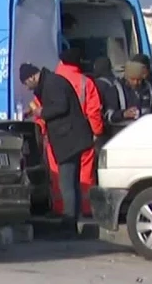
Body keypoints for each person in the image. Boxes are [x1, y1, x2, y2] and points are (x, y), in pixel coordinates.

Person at [21, 63, 94, 237]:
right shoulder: (49, 83)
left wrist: (41, 112)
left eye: (26, 83)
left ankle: (69, 223)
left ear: (32, 77)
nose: (26, 87)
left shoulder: (53, 83)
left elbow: (60, 106)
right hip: (71, 138)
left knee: (66, 182)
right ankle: (72, 220)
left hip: (69, 139)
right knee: (72, 182)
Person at [53, 47, 103, 212]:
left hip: (57, 136)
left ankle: (60, 209)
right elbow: (94, 111)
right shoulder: (85, 82)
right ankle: (85, 208)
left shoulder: (52, 81)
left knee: (58, 175)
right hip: (82, 134)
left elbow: (41, 107)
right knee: (84, 173)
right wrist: (97, 132)